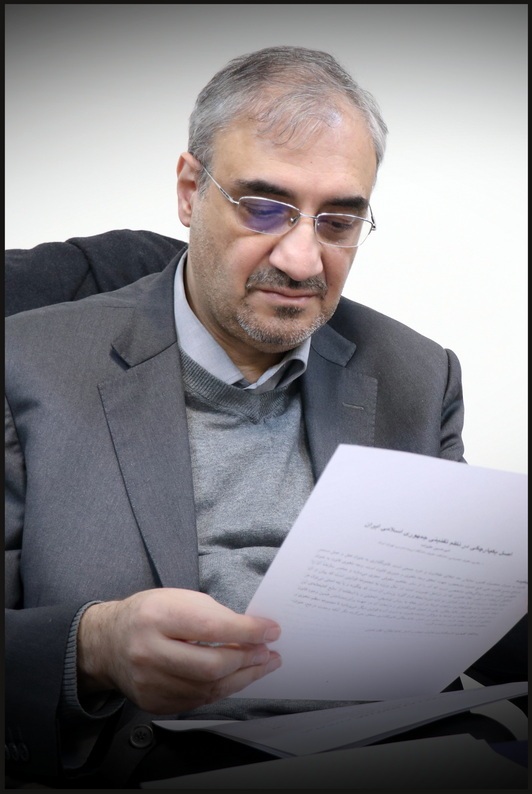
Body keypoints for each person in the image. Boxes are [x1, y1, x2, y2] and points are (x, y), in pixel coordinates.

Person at [5, 45, 527, 789]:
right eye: (264, 207)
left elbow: (462, 603)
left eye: (339, 221)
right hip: (155, 762)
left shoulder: (418, 374)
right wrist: (95, 647)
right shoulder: (28, 364)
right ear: (190, 192)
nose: (303, 260)